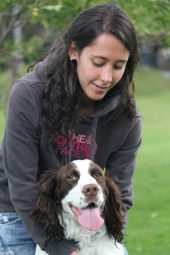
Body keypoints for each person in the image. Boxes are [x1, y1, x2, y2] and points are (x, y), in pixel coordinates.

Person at [0, 3, 141, 255]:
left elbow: (122, 192)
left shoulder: (126, 116)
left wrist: (105, 240)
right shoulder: (29, 94)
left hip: (89, 216)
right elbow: (20, 183)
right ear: (73, 50)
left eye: (118, 66)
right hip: (19, 213)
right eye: (98, 62)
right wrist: (63, 249)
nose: (107, 77)